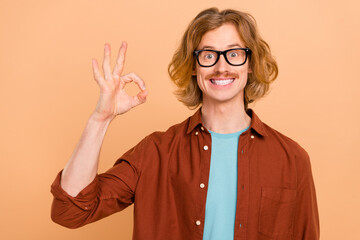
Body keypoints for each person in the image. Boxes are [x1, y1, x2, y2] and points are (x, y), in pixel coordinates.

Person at [51, 7, 320, 240]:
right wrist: (101, 118)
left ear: (250, 64)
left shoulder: (293, 160)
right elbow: (70, 211)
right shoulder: (155, 152)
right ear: (193, 66)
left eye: (234, 54)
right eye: (208, 55)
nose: (221, 66)